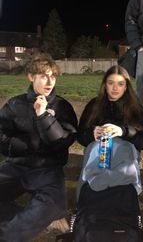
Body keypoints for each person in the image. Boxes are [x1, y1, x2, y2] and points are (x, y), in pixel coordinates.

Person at [0, 53, 78, 241]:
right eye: (43, 76)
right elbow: (1, 137)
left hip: (48, 170)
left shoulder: (62, 107)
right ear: (31, 77)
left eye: (52, 76)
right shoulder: (14, 104)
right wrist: (27, 146)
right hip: (17, 166)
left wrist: (44, 116)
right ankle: (23, 221)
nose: (49, 81)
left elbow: (63, 141)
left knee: (54, 205)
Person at [73, 65, 143, 241]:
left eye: (120, 84)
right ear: (104, 85)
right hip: (97, 154)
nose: (115, 88)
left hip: (124, 156)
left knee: (122, 159)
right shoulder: (94, 105)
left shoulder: (136, 108)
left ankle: (119, 207)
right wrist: (92, 133)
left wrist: (124, 132)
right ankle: (90, 210)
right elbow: (80, 136)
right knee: (94, 154)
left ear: (126, 86)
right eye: (110, 83)